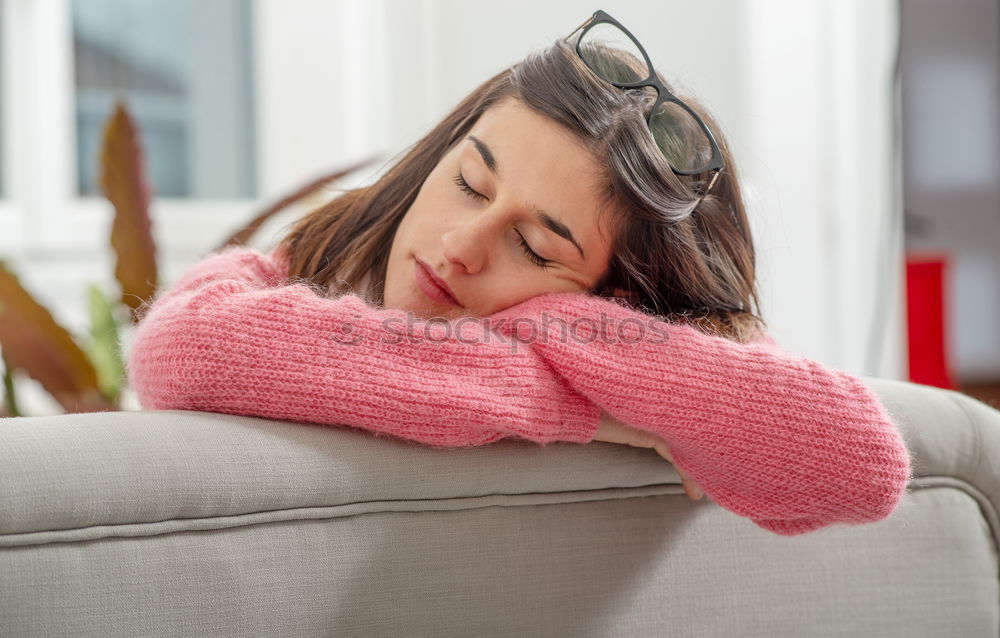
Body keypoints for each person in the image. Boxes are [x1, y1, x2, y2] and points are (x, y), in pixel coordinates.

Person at [126, 10, 911, 536]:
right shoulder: (316, 260)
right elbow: (177, 348)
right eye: (470, 180)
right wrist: (590, 409)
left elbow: (865, 462)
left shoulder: (661, 341)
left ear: (625, 299)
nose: (462, 244)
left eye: (536, 249)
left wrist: (551, 326)